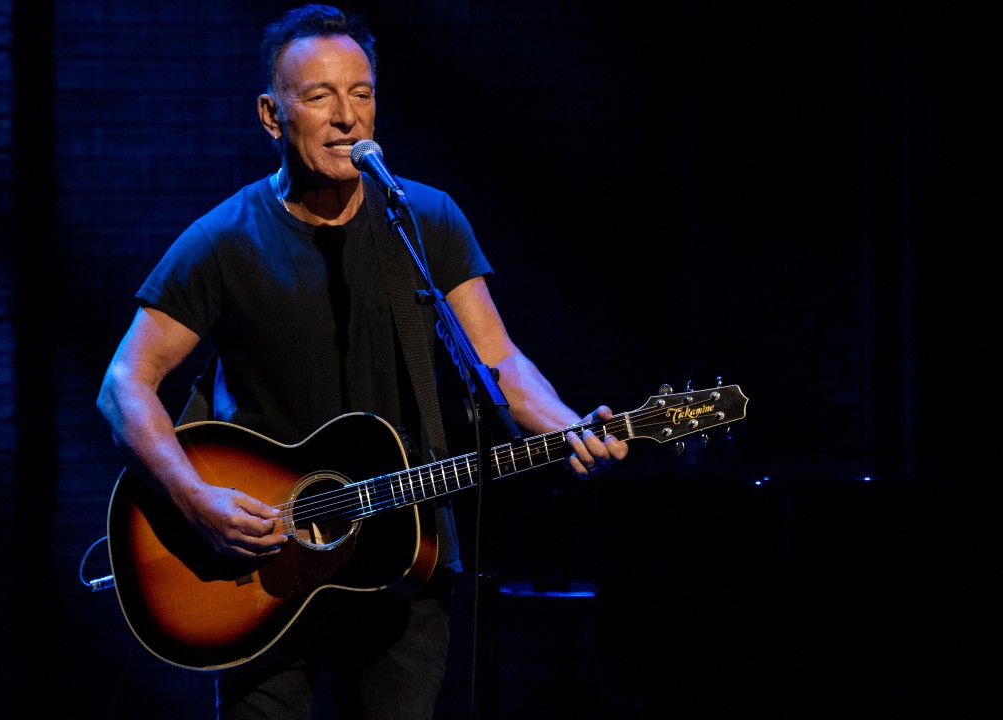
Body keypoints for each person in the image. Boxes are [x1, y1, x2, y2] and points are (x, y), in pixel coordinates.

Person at [96, 4, 628, 718]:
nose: (347, 116)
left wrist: (565, 426)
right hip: (261, 567)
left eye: (362, 93)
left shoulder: (425, 219)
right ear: (270, 115)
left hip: (403, 560)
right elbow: (125, 383)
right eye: (318, 96)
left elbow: (496, 358)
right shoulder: (222, 241)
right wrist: (195, 499)